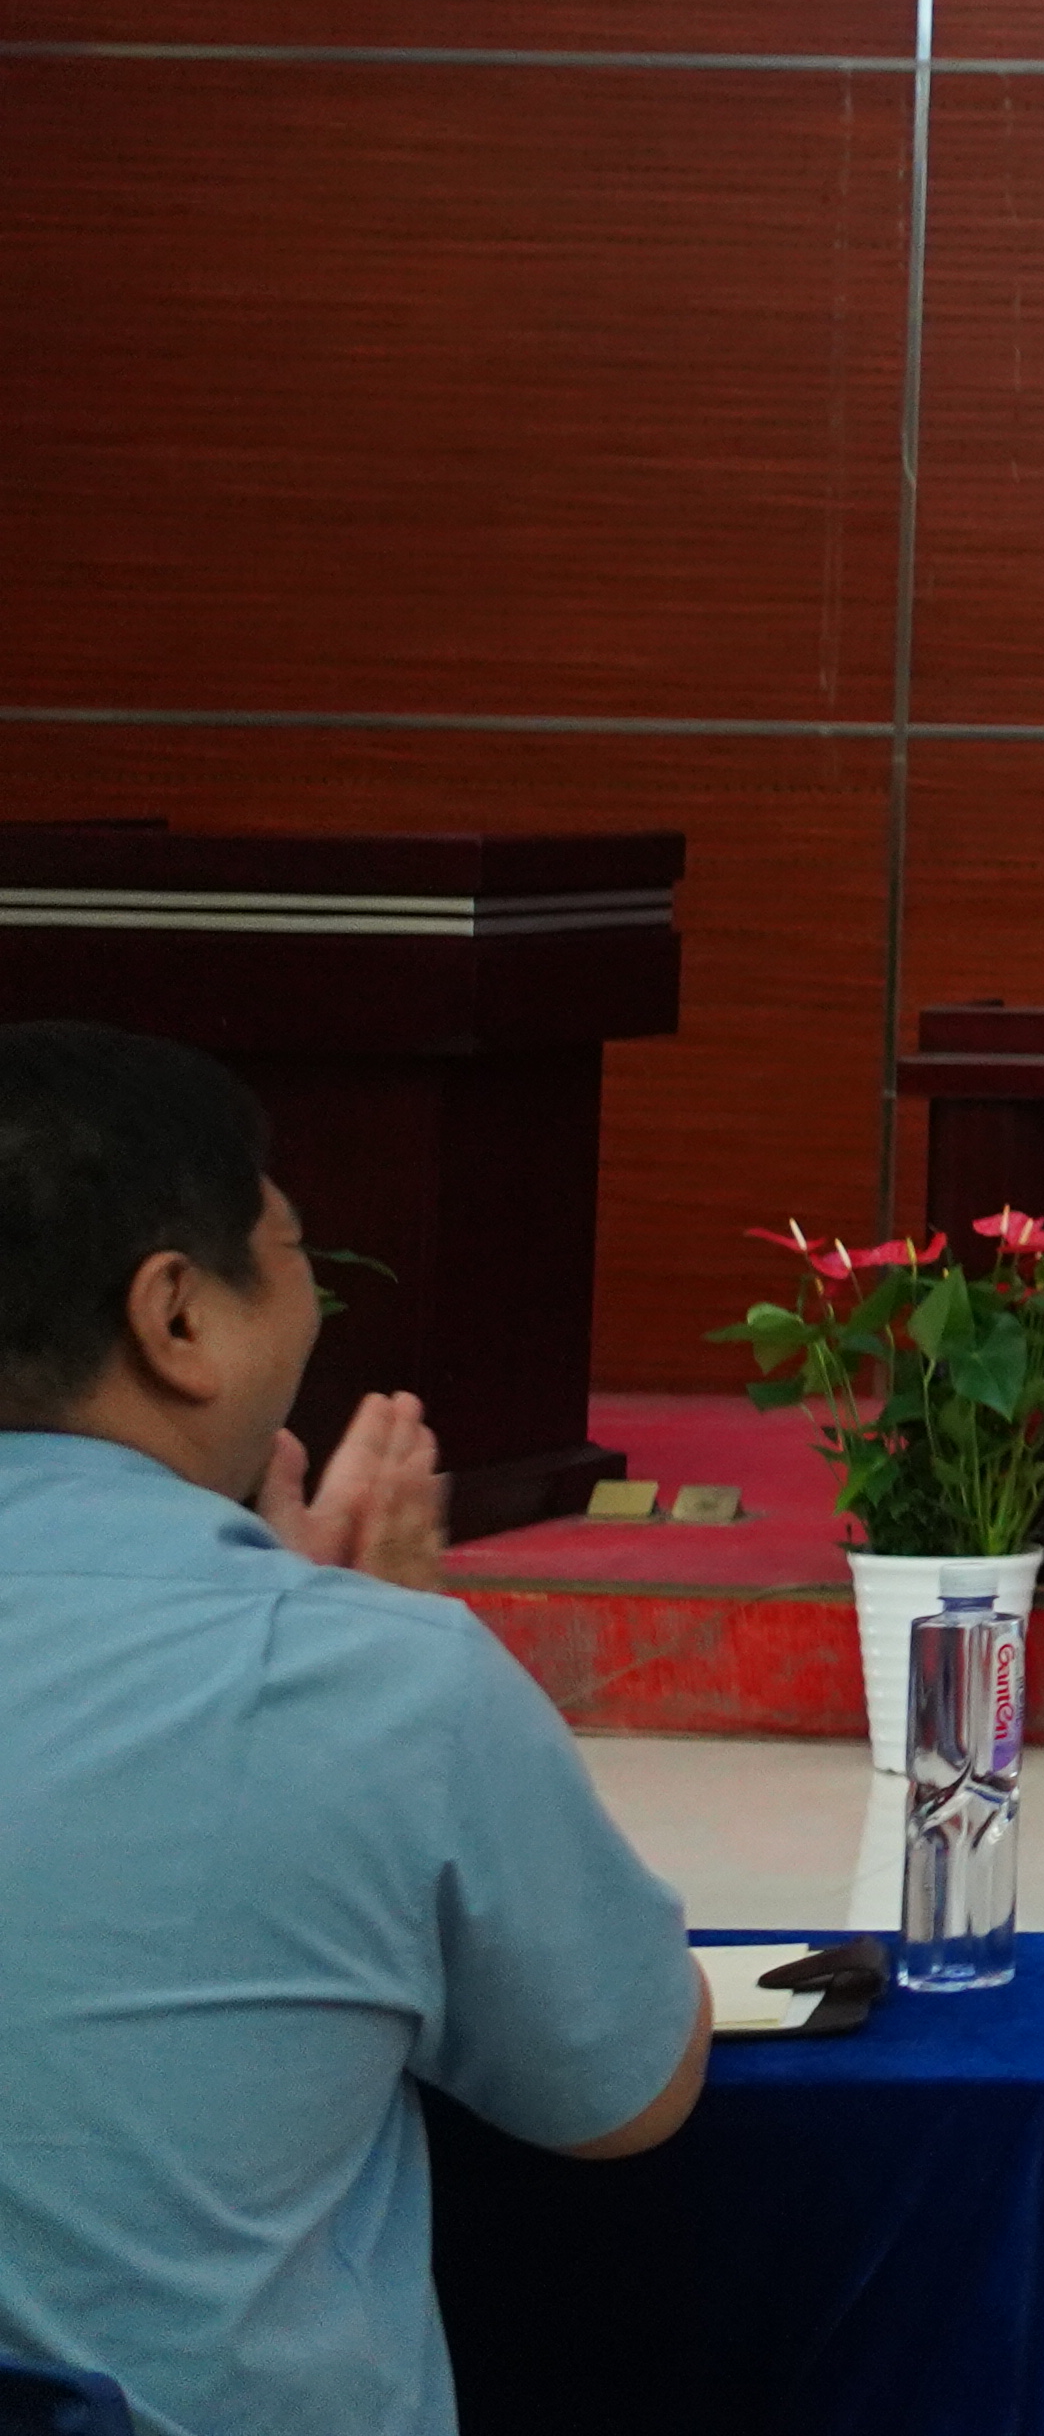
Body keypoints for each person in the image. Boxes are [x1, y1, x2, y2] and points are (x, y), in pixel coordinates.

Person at [0, 1021, 706, 2436]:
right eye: (294, 1252)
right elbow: (625, 2090)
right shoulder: (381, 1681)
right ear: (177, 1318)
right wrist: (367, 1650)